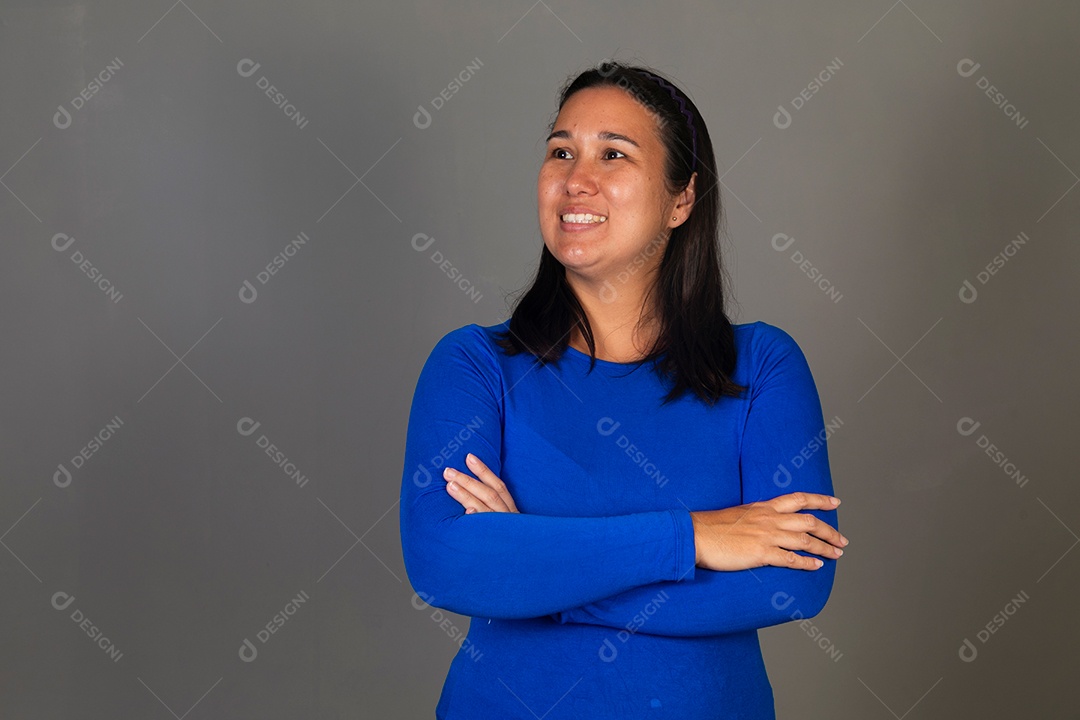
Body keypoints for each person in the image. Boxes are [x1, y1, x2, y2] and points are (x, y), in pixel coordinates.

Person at [399, 60, 848, 719]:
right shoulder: (473, 366)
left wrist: (530, 563)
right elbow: (442, 564)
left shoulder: (761, 366)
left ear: (681, 198)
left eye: (613, 154)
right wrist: (690, 537)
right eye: (561, 152)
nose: (577, 180)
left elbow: (794, 581)